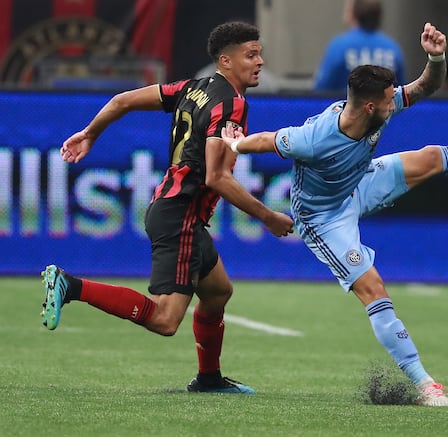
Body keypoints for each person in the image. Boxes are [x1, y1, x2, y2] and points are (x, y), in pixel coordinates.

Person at [220, 22, 448, 407]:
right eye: (387, 101)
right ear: (368, 106)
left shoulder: (379, 103)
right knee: (374, 291)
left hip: (358, 182)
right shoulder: (314, 140)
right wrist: (237, 143)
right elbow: (267, 140)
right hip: (323, 218)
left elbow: (427, 86)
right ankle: (425, 384)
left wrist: (436, 56)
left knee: (432, 157)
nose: (393, 103)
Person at [40, 21, 294, 394]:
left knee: (218, 292)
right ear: (225, 61)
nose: (259, 61)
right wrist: (268, 216)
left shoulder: (193, 88)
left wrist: (90, 133)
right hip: (182, 215)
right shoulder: (231, 104)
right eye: (250, 54)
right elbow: (217, 178)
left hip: (175, 208)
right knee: (164, 319)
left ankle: (208, 379)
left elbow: (122, 100)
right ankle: (70, 285)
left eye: (259, 53)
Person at [313, 0, 405, 93]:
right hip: (383, 107)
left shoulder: (339, 47)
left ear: (353, 13)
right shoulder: (392, 48)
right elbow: (400, 92)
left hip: (345, 106)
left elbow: (321, 89)